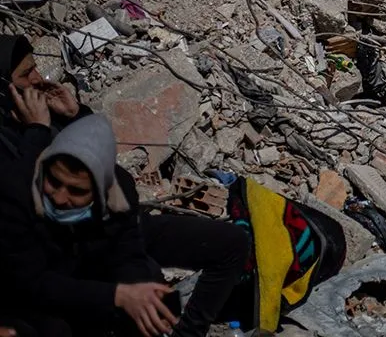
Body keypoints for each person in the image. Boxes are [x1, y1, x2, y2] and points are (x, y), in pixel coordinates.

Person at [0, 114, 250, 337]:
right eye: (54, 182)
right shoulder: (15, 195)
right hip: (46, 279)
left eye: (76, 191)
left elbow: (126, 251)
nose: (59, 197)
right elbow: (31, 283)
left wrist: (142, 296)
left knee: (229, 243)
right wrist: (117, 296)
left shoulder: (119, 194)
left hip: (94, 248)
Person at [0, 34, 92, 165]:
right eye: (26, 74)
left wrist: (75, 115)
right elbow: (24, 179)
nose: (37, 78)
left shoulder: (42, 109)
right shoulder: (5, 139)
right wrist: (37, 131)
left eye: (34, 68)